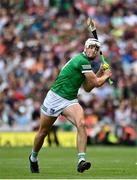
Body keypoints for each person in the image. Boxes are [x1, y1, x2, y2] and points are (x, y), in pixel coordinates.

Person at [29, 38, 112, 173]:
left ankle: (81, 161)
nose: (94, 50)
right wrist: (106, 75)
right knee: (43, 132)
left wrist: (99, 73)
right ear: (85, 48)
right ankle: (33, 158)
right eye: (91, 47)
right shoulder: (81, 60)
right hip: (54, 98)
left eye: (96, 49)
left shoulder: (86, 64)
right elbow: (96, 83)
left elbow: (87, 87)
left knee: (81, 124)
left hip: (70, 100)